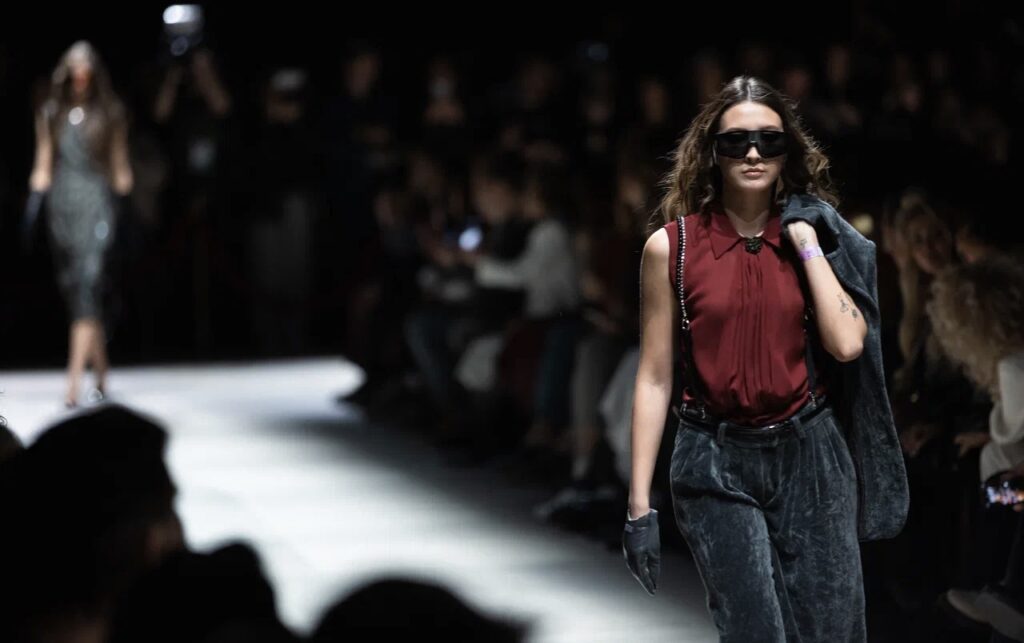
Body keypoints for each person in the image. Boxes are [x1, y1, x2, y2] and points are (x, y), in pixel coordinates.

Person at [621, 75, 907, 641]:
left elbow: (848, 344)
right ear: (712, 152)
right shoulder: (672, 247)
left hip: (811, 455)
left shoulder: (819, 234)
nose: (753, 153)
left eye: (769, 141)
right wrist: (638, 505)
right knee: (754, 630)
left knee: (833, 632)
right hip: (714, 458)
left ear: (787, 152)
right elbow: (654, 375)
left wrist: (805, 242)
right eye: (736, 142)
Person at [28, 41, 133, 407]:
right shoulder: (51, 112)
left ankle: (72, 384)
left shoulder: (110, 113)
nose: (79, 76)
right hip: (62, 205)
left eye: (85, 68)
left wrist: (125, 192)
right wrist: (35, 197)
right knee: (76, 290)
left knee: (88, 282)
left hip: (95, 202)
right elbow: (43, 165)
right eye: (73, 68)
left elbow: (121, 170)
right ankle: (101, 374)